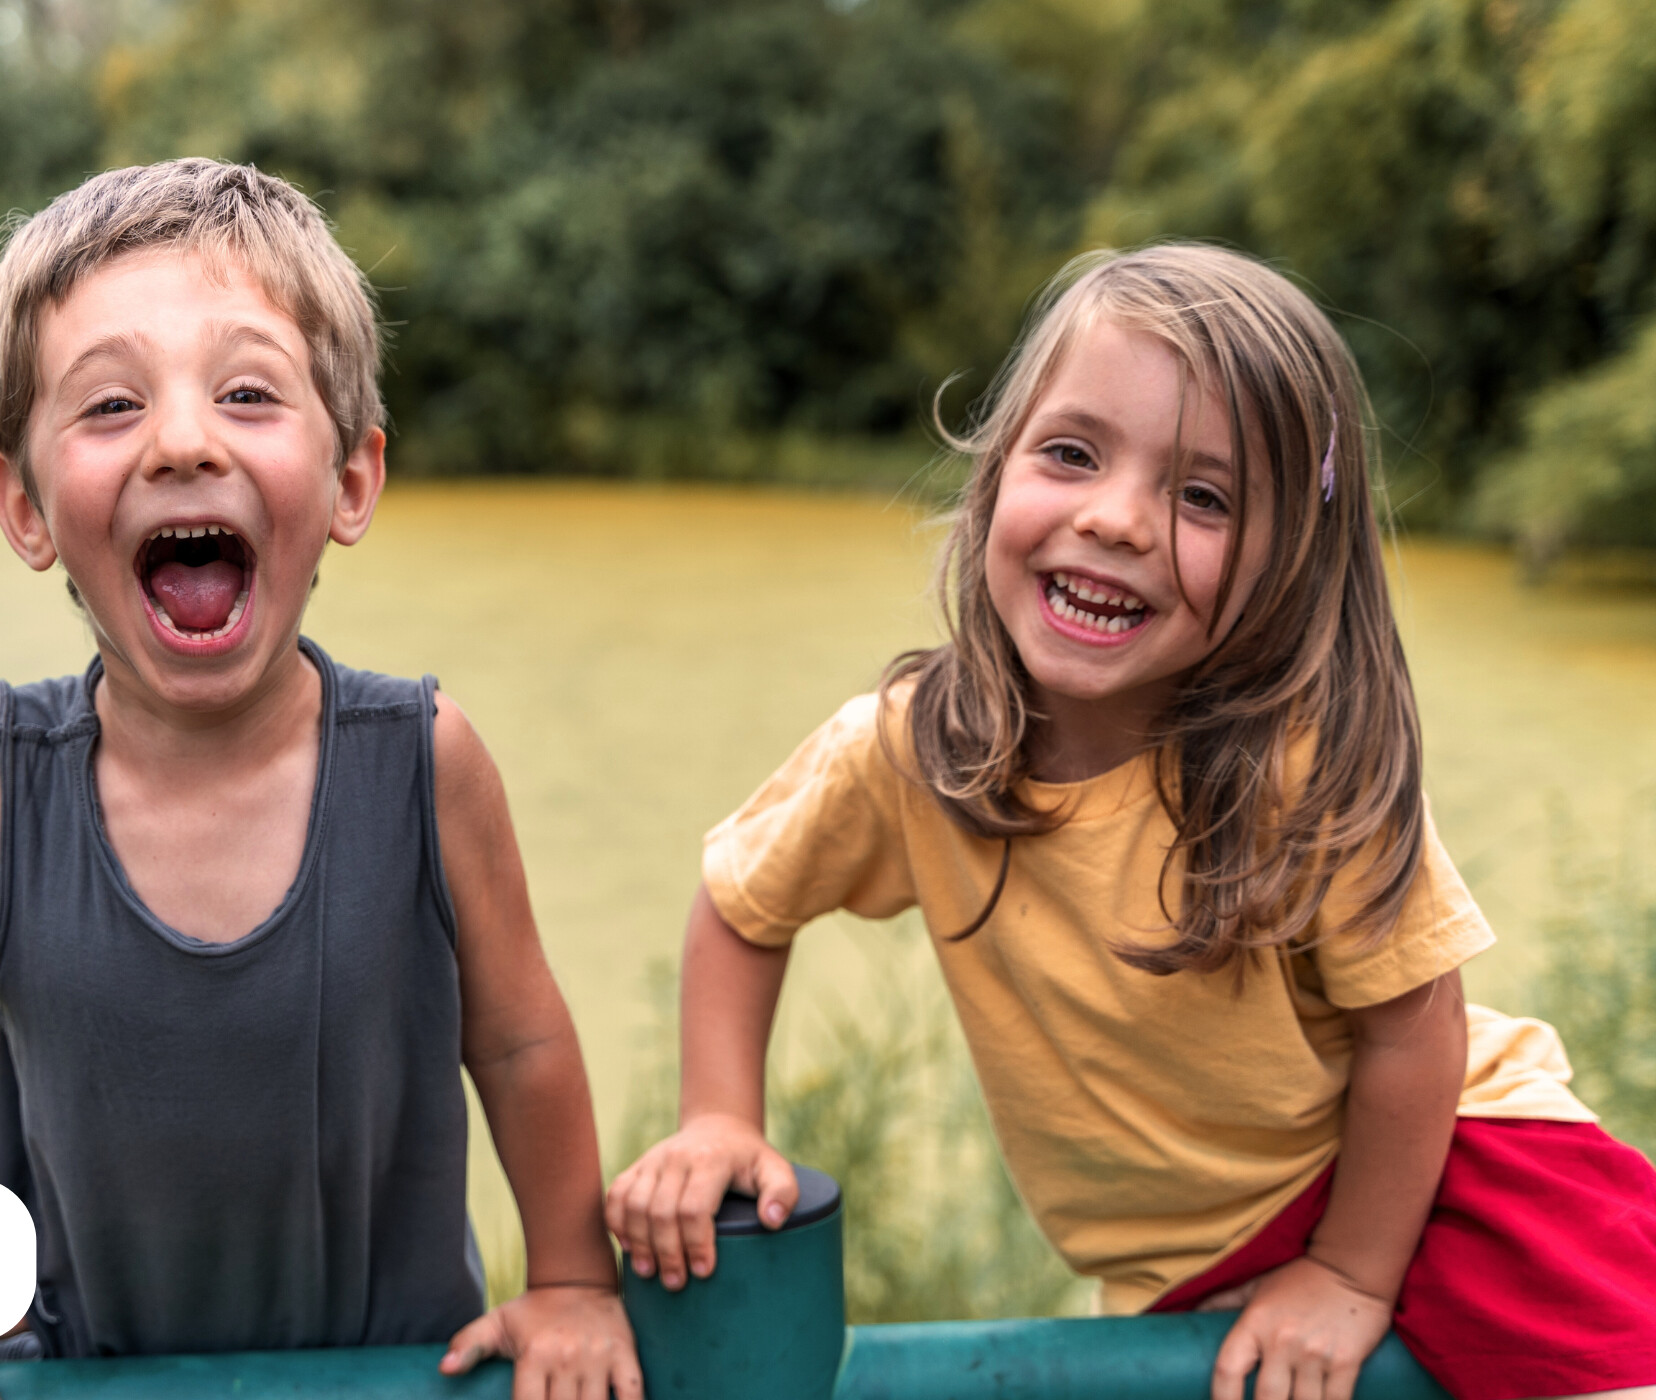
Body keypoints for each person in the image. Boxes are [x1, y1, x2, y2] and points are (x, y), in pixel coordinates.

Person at [606, 243, 1656, 1400]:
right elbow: (745, 899)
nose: (1114, 519)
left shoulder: (1295, 768)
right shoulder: (911, 748)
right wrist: (716, 1118)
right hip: (1193, 1258)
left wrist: (1349, 1274)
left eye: (1201, 497)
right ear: (994, 467)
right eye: (1069, 454)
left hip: (1456, 1174)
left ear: (1287, 564)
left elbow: (1416, 1028)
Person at [0, 158, 639, 1400]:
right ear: (26, 504)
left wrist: (574, 1281)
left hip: (398, 1380)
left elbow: (522, 1040)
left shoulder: (427, 760)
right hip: (84, 1381)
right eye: (108, 407)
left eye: (248, 393)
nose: (183, 442)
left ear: (350, 480)